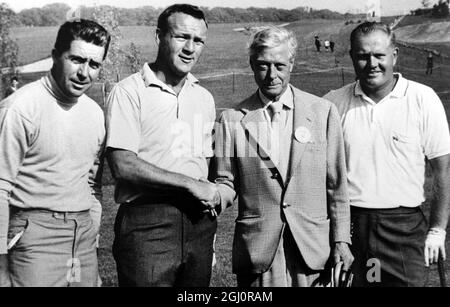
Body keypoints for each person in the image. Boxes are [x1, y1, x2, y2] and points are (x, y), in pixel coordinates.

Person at [211, 26, 353, 287]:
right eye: (263, 65)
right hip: (259, 250)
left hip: (312, 248)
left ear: (292, 62)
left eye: (279, 65)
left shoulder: (323, 112)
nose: (272, 75)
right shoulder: (231, 119)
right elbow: (225, 182)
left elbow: (337, 187)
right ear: (252, 64)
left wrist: (341, 241)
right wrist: (208, 197)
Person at [324, 21, 450, 287]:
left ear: (394, 55)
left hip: (403, 228)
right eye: (363, 56)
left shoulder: (422, 98)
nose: (372, 63)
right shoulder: (332, 103)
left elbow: (442, 171)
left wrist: (437, 229)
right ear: (352, 58)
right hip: (352, 226)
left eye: (379, 55)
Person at [106, 4, 219, 287]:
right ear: (159, 36)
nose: (190, 48)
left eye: (198, 40)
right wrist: (189, 184)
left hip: (198, 224)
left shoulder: (203, 97)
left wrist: (209, 221)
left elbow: (202, 165)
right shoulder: (129, 92)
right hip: (147, 223)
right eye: (182, 37)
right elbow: (123, 165)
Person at [0, 19, 110, 287]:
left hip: (82, 234)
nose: (84, 72)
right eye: (76, 59)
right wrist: (1, 267)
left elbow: (92, 184)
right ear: (55, 56)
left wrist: (91, 236)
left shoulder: (94, 113)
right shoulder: (20, 108)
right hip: (34, 235)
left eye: (94, 64)